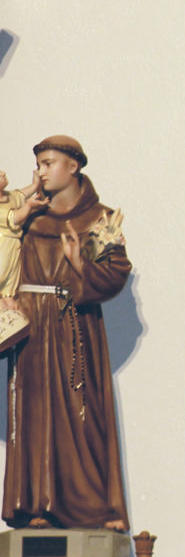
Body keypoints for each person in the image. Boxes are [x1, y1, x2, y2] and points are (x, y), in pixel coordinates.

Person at [2, 135, 132, 531]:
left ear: (73, 166)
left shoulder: (99, 219)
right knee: (35, 416)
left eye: (49, 162)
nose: (40, 171)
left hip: (75, 328)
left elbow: (114, 275)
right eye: (38, 164)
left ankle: (94, 507)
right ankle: (37, 505)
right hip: (31, 331)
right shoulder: (27, 219)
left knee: (82, 417)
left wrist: (80, 266)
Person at [0, 169, 48, 352]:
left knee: (13, 273)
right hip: (2, 244)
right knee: (2, 271)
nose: (3, 173)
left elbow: (21, 194)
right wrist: (29, 207)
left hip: (13, 245)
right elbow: (15, 218)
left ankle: (7, 298)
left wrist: (35, 184)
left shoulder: (9, 196)